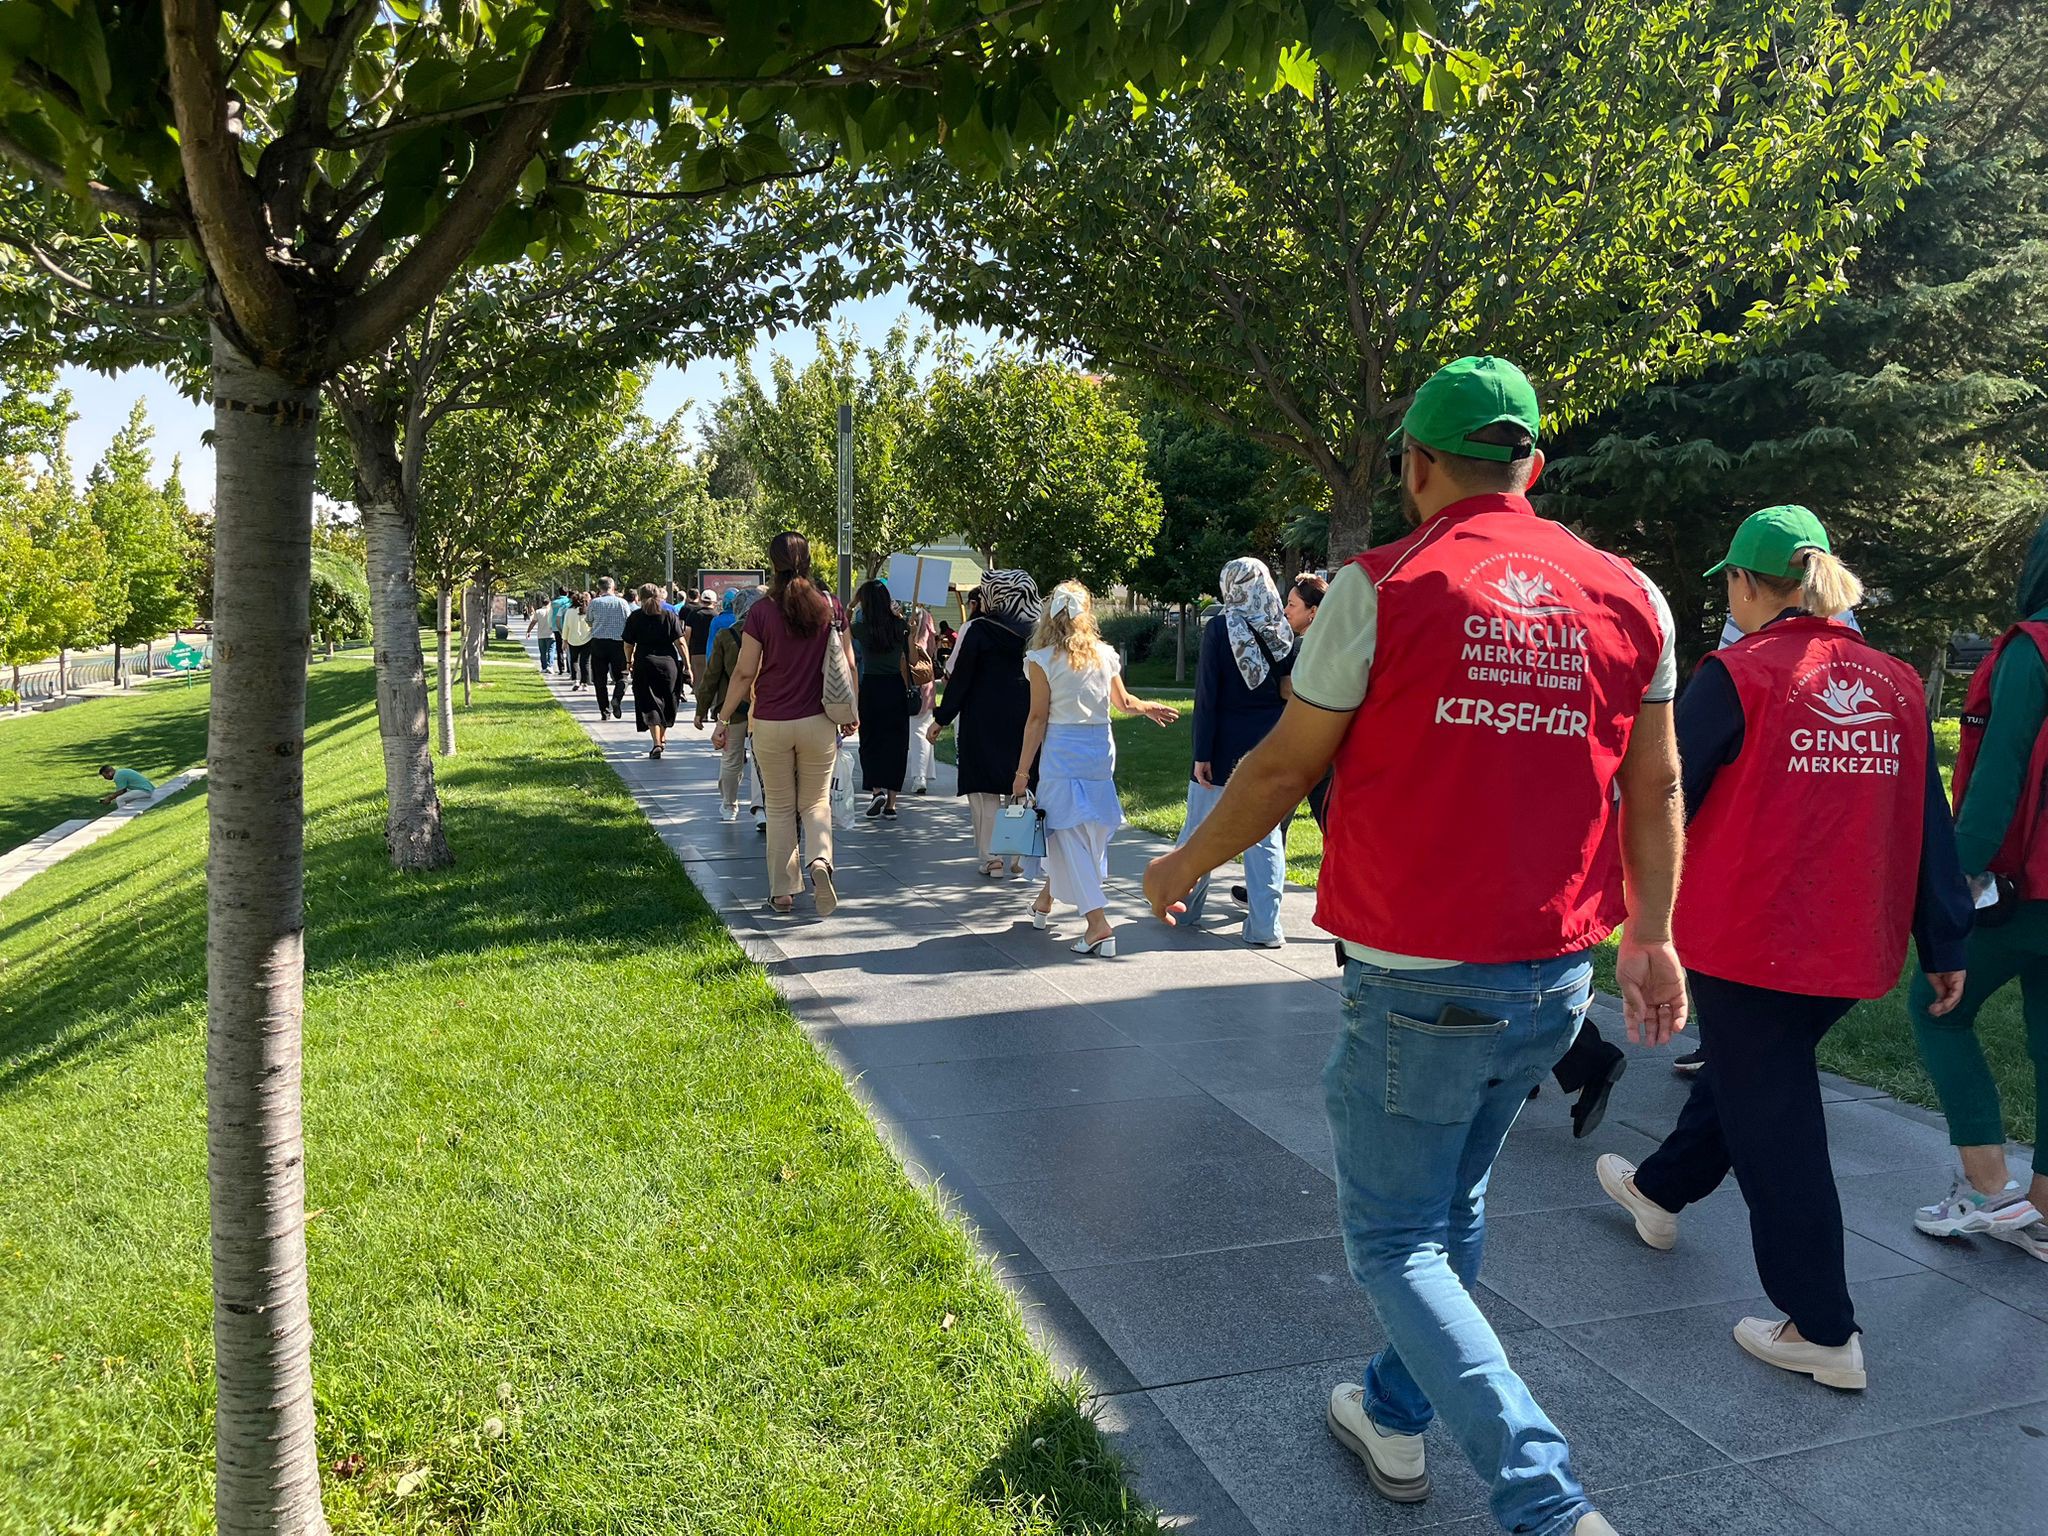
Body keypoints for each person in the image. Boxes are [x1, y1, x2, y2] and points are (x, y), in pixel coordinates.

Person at [1142, 356, 1684, 1536]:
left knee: (1394, 1240)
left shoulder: (1379, 587)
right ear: (1531, 465)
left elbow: (1282, 768)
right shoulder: (1632, 595)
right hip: (1555, 975)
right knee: (1454, 1203)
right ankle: (1392, 1411)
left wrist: (1182, 863)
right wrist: (1651, 936)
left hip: (1419, 977)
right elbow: (1652, 786)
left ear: (1416, 467)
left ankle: (1544, 1500)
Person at [1598, 506, 1970, 1392]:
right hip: (1855, 944)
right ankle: (1660, 1190)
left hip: (1749, 941)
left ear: (1744, 582)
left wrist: (1619, 905)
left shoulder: (1738, 674)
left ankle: (1822, 1326)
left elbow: (1662, 795)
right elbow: (1929, 821)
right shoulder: (1897, 683)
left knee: (1777, 1116)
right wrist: (1945, 936)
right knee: (1754, 1073)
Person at [1910, 516, 2048, 1260]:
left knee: (1937, 1006)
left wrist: (1956, 878)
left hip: (2027, 884)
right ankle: (2044, 1215)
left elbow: (1999, 775)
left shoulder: (2033, 649)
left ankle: (1990, 1192)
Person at [1020, 582, 1179, 957]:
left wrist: (1021, 772)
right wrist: (1148, 707)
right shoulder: (1104, 655)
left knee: (1065, 831)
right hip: (1099, 750)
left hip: (1063, 750)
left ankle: (1097, 923)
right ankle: (1045, 900)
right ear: (1086, 614)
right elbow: (1124, 702)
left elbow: (1037, 719)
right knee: (1082, 829)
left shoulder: (1041, 659)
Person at [712, 531, 854, 916]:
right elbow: (848, 665)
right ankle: (820, 861)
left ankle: (783, 892)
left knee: (778, 808)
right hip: (819, 721)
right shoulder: (831, 606)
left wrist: (723, 719)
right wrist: (852, 713)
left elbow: (744, 673)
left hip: (770, 722)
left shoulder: (761, 612)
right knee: (816, 802)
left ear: (773, 564)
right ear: (808, 560)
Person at [1177, 558, 1296, 948]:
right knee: (1265, 838)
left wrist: (1201, 753)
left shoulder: (1219, 627)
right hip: (1271, 745)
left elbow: (1207, 695)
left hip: (1223, 745)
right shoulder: (1281, 627)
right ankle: (1266, 927)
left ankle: (1184, 910)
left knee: (1199, 833)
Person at [930, 571, 1040, 878]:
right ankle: (1018, 853)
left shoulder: (979, 629)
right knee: (1021, 783)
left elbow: (961, 678)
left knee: (984, 791)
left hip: (982, 718)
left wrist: (942, 718)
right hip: (1025, 716)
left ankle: (991, 858)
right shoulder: (1038, 632)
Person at [698, 586, 767, 825]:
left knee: (731, 759)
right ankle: (761, 809)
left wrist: (701, 709)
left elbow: (712, 675)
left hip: (733, 707)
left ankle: (729, 806)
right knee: (761, 761)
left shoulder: (726, 636)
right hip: (762, 706)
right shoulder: (769, 634)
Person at [850, 579, 913, 819]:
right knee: (896, 742)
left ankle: (876, 791)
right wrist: (906, 623)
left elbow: (841, 626)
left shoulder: (861, 628)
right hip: (895, 687)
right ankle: (892, 804)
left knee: (870, 740)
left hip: (871, 686)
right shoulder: (901, 626)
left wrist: (851, 604)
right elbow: (913, 658)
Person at [622, 582, 689, 759]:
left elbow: (628, 644)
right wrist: (688, 666)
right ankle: (662, 737)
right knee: (668, 700)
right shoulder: (669, 615)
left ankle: (657, 742)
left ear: (640, 597)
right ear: (659, 596)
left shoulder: (635, 617)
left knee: (649, 702)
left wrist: (629, 661)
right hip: (669, 664)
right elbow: (681, 642)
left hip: (644, 662)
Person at [586, 577, 632, 721]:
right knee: (622, 676)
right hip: (618, 643)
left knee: (600, 679)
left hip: (598, 642)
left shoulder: (594, 602)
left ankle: (604, 711)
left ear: (599, 588)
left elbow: (589, 620)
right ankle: (617, 698)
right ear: (612, 586)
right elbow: (628, 621)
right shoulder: (622, 603)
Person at [906, 606, 939, 794]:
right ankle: (926, 772)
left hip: (912, 678)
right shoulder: (927, 617)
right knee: (925, 727)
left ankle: (920, 776)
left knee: (917, 730)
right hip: (925, 676)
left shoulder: (907, 613)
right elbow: (932, 648)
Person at [559, 592, 593, 690]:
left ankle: (576, 680)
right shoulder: (588, 611)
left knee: (574, 660)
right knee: (585, 662)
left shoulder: (569, 611)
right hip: (587, 639)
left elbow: (566, 626)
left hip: (572, 639)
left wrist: (564, 640)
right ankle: (584, 683)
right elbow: (592, 624)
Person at [684, 591, 716, 685]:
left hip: (696, 652)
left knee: (698, 683)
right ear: (714, 602)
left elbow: (687, 633)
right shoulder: (716, 616)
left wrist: (687, 648)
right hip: (713, 653)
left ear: (701, 600)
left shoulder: (693, 614)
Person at [525, 590, 558, 673]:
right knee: (551, 650)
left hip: (541, 635)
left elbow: (533, 622)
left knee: (542, 652)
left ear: (542, 603)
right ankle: (550, 666)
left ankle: (544, 667)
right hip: (551, 634)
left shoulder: (538, 612)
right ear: (549, 603)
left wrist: (528, 631)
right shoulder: (552, 611)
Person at [549, 587, 573, 673]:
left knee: (559, 648)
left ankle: (561, 668)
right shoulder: (570, 602)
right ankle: (570, 667)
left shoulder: (554, 603)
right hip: (568, 627)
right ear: (567, 593)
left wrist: (551, 626)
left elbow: (550, 615)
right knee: (569, 648)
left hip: (557, 627)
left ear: (559, 593)